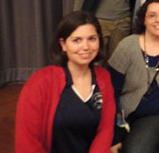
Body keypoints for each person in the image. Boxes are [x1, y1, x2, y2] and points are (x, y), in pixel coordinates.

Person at [15, 11, 115, 152]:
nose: (86, 47)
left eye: (92, 39)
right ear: (63, 44)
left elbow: (105, 130)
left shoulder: (104, 78)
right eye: (76, 40)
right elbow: (27, 141)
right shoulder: (39, 83)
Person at [108, 0, 159, 153]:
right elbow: (110, 91)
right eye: (152, 15)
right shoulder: (127, 46)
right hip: (125, 117)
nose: (158, 20)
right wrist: (113, 133)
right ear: (143, 20)